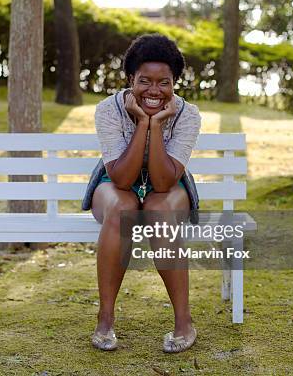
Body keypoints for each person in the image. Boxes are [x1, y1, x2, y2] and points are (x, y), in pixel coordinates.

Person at [89, 34, 201, 352]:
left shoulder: (187, 115)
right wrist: (142, 122)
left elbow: (165, 182)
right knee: (122, 209)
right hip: (115, 182)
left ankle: (184, 322)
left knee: (160, 211)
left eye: (163, 82)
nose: (154, 90)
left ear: (175, 83)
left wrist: (156, 126)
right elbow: (122, 178)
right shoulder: (108, 110)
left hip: (167, 182)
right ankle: (105, 318)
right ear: (130, 79)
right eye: (145, 81)